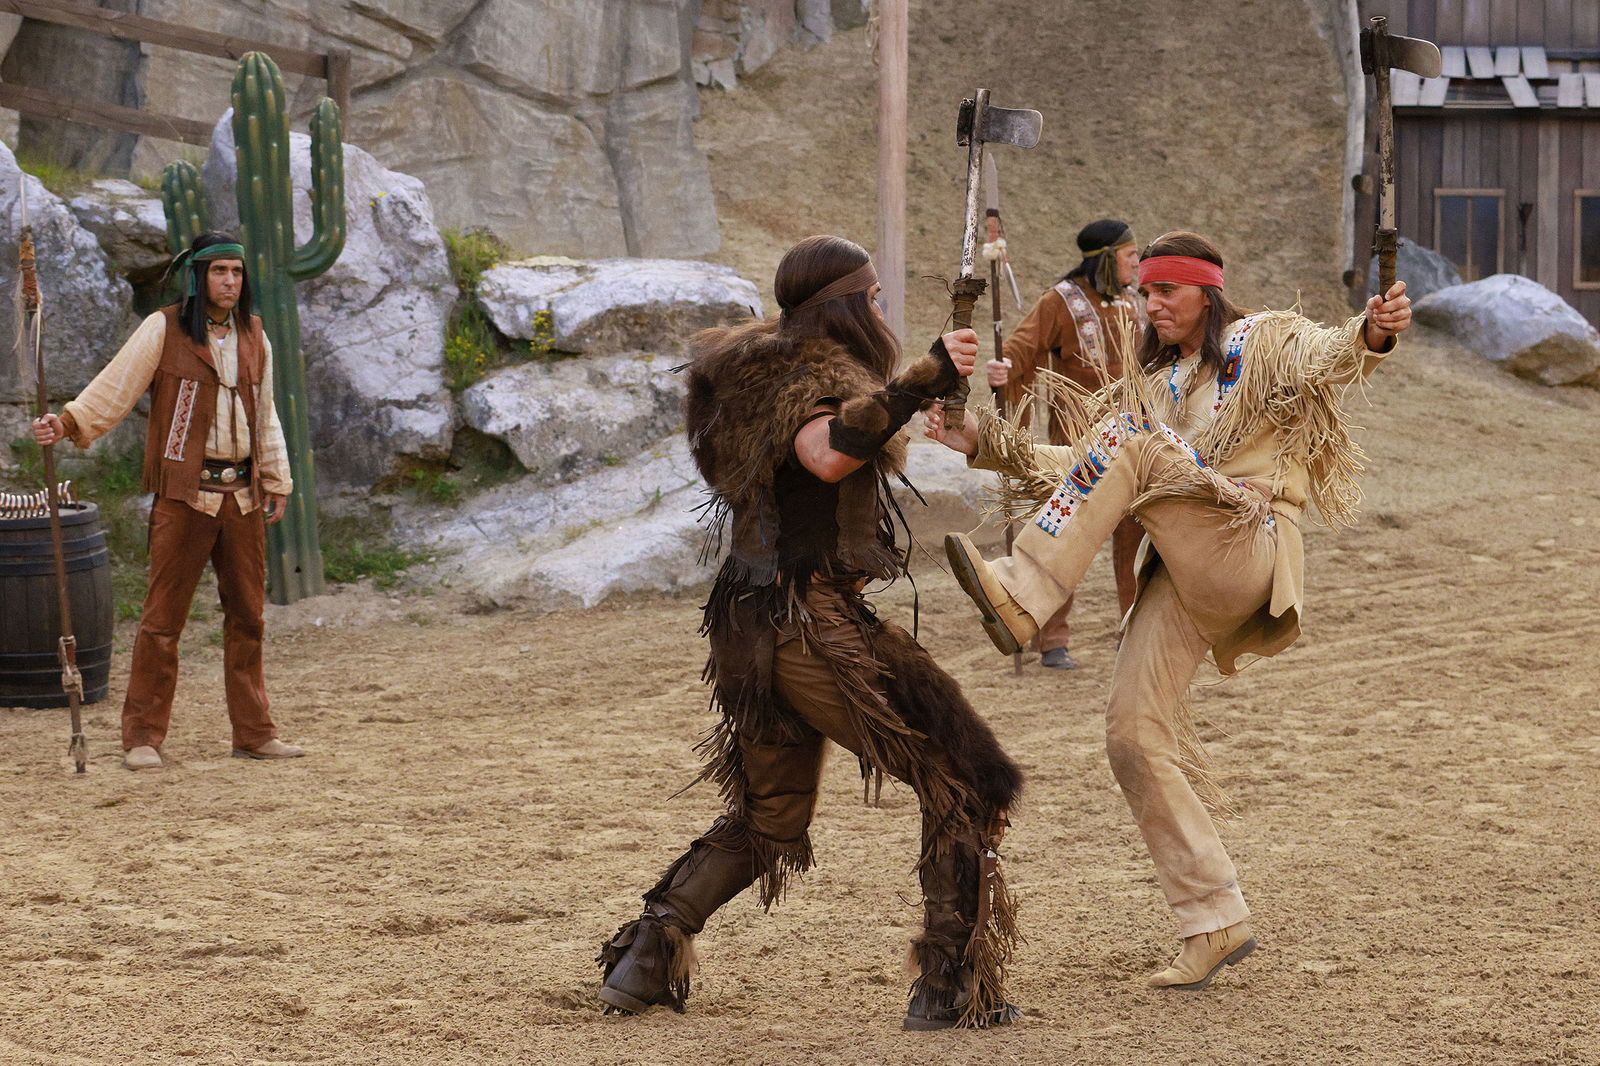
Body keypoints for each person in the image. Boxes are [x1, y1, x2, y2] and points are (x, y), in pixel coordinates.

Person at [927, 231, 1412, 991]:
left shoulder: (1264, 340)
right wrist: (981, 437)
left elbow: (1336, 357)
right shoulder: (1153, 390)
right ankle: (1213, 917)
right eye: (1145, 293)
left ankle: (1023, 591)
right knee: (1131, 734)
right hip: (1180, 567)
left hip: (1244, 542)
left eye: (1166, 293)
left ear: (1206, 294)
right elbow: (1089, 464)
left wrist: (1375, 330)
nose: (1150, 306)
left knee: (1128, 438)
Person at [596, 235, 1022, 1030]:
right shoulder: (805, 374)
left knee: (770, 817)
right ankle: (949, 984)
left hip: (752, 624)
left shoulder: (753, 370)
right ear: (849, 304)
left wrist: (930, 386)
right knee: (968, 780)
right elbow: (824, 455)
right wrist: (919, 377)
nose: (883, 311)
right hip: (806, 623)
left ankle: (644, 957)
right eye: (876, 298)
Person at [31, 232, 304, 771]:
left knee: (248, 618)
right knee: (162, 621)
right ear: (199, 276)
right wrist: (66, 423)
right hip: (185, 496)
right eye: (219, 271)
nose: (230, 281)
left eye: (237, 272)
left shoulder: (255, 336)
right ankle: (142, 739)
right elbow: (117, 386)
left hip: (242, 497)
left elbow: (265, 412)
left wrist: (276, 479)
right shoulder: (163, 328)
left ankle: (254, 732)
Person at [987, 219, 1145, 669]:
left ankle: (1134, 634)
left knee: (1136, 546)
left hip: (1133, 446)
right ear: (1107, 259)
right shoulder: (1060, 301)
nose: (1136, 262)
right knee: (1063, 541)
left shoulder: (1135, 304)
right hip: (1076, 452)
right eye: (1129, 254)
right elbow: (1021, 346)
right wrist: (1005, 371)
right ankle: (1053, 641)